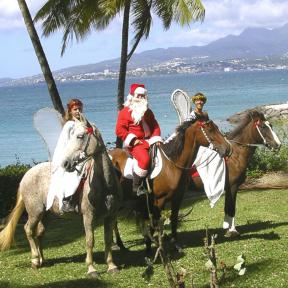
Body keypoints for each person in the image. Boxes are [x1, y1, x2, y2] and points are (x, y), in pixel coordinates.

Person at [115, 83, 162, 195]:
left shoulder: (148, 111)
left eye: (143, 96)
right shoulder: (125, 112)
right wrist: (133, 140)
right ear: (132, 96)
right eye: (138, 96)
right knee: (145, 159)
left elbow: (155, 126)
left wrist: (157, 138)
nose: (140, 98)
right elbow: (119, 130)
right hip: (136, 143)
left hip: (150, 141)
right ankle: (137, 186)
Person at [46, 98, 86, 213]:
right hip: (71, 157)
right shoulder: (69, 125)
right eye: (75, 109)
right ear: (70, 111)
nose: (78, 111)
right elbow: (65, 144)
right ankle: (67, 200)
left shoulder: (83, 123)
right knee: (72, 175)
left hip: (83, 155)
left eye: (79, 109)